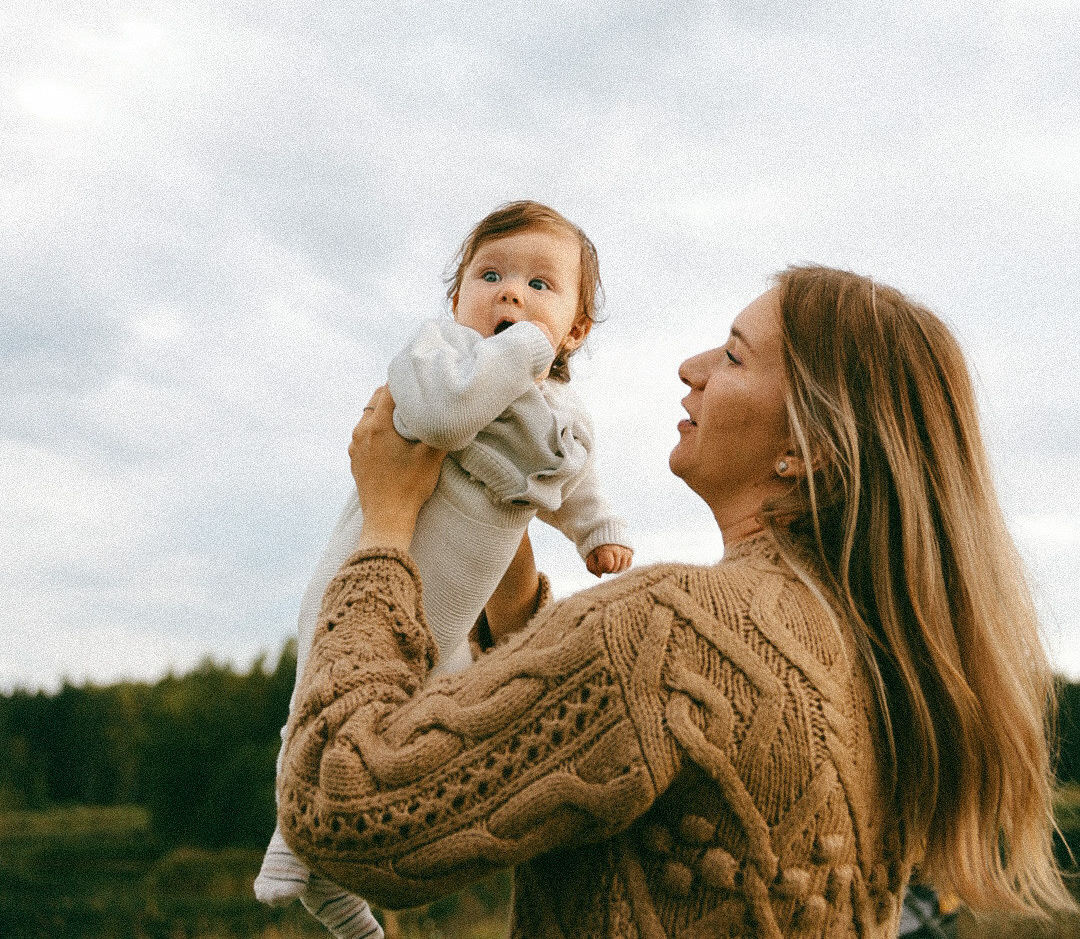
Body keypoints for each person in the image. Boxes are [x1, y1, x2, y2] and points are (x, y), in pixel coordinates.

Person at [276, 266, 1072, 939]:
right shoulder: (877, 661)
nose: (692, 367)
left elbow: (345, 811)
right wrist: (507, 569)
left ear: (808, 449)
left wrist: (386, 528)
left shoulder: (669, 630)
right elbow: (606, 738)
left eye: (733, 355)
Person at [255, 200, 632, 939]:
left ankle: (333, 873)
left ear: (577, 330)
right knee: (324, 695)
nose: (511, 293)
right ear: (456, 298)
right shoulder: (437, 358)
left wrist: (597, 530)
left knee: (415, 720)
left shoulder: (560, 410)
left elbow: (570, 478)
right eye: (489, 276)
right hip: (373, 567)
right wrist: (519, 352)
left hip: (454, 615)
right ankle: (292, 841)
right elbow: (443, 421)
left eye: (540, 285)